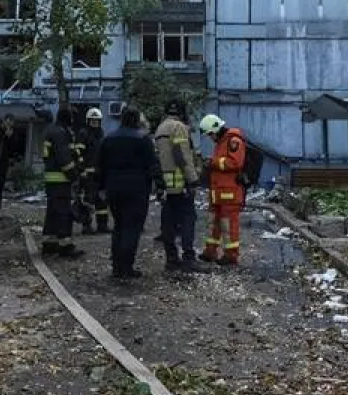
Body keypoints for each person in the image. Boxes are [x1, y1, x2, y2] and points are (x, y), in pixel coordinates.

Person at [96, 106, 159, 280]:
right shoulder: (143, 139)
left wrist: (101, 188)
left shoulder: (108, 139)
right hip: (136, 189)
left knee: (118, 226)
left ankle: (116, 267)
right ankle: (126, 267)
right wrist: (158, 187)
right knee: (132, 228)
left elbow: (100, 165)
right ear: (137, 120)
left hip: (113, 188)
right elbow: (152, 166)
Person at [154, 100, 203, 274]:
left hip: (167, 185)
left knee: (168, 223)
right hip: (181, 183)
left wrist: (159, 185)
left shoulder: (160, 129)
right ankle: (189, 258)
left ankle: (171, 259)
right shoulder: (179, 127)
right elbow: (182, 154)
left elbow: (158, 158)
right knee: (188, 220)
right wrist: (193, 179)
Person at [199, 114, 246, 267]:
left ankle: (231, 256)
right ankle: (210, 252)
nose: (210, 138)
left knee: (229, 225)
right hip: (220, 192)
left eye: (210, 134)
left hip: (230, 192)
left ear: (216, 129)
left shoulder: (233, 140)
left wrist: (213, 162)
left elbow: (235, 162)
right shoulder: (221, 142)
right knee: (216, 223)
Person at [41, 106, 84, 258]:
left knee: (53, 212)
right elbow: (64, 158)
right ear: (68, 118)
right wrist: (74, 175)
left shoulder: (51, 131)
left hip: (52, 180)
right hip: (61, 180)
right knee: (64, 213)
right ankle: (66, 246)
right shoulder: (61, 133)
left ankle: (49, 243)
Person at [76, 107, 109, 235]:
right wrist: (81, 170)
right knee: (88, 200)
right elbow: (78, 154)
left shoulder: (101, 134)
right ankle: (86, 226)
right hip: (88, 173)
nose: (94, 123)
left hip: (100, 173)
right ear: (88, 121)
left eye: (97, 120)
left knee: (102, 200)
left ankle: (102, 225)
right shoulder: (83, 133)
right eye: (92, 120)